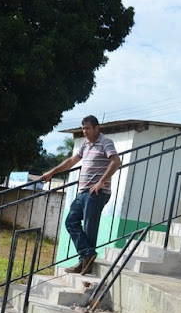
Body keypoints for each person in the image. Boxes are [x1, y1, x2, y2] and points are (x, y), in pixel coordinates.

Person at [41, 115, 121, 275]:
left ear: (97, 128)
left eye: (88, 128)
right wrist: (52, 172)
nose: (85, 131)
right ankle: (86, 255)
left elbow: (116, 161)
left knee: (90, 227)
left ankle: (84, 263)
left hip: (97, 192)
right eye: (83, 128)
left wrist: (101, 182)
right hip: (83, 192)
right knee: (71, 221)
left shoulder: (105, 142)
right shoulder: (86, 144)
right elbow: (71, 161)